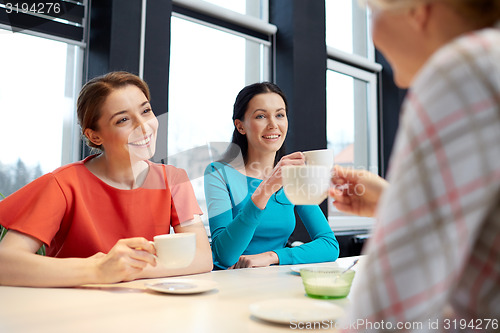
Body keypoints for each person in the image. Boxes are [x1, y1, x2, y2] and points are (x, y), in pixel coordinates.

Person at [330, 0, 500, 331]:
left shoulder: (466, 69)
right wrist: (395, 203)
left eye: (371, 12)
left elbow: (387, 318)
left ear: (416, 9)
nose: (373, 34)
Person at [0, 71, 213, 287]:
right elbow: (4, 263)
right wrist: (98, 270)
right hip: (72, 311)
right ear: (94, 136)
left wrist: (127, 269)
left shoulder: (174, 180)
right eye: (122, 120)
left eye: (146, 111)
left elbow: (202, 257)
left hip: (147, 310)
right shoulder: (62, 184)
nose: (143, 126)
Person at [204, 82, 339, 270]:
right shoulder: (219, 173)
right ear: (240, 126)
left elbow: (329, 245)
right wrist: (266, 189)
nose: (273, 125)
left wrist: (272, 256)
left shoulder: (295, 176)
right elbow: (224, 256)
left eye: (280, 115)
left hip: (276, 282)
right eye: (261, 116)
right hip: (231, 284)